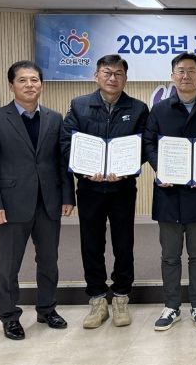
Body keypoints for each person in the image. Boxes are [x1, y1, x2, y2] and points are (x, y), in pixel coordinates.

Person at [0, 60, 75, 340]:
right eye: (22, 80)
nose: (30, 85)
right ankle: (9, 316)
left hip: (48, 202)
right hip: (11, 204)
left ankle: (47, 309)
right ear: (12, 85)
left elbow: (61, 162)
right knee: (9, 265)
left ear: (41, 84)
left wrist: (67, 196)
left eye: (34, 80)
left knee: (49, 261)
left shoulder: (54, 118)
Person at [61, 54, 149, 329]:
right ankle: (97, 300)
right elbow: (66, 143)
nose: (113, 78)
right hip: (89, 188)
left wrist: (128, 167)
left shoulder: (138, 108)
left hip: (123, 187)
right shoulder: (79, 105)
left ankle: (121, 297)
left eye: (118, 73)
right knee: (91, 244)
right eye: (107, 73)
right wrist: (84, 170)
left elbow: (145, 145)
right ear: (96, 76)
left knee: (124, 244)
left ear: (125, 78)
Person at [144, 52, 196, 331]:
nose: (186, 76)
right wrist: (161, 168)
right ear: (172, 76)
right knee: (169, 255)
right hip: (168, 194)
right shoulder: (159, 110)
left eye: (192, 71)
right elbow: (149, 144)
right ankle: (171, 307)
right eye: (181, 71)